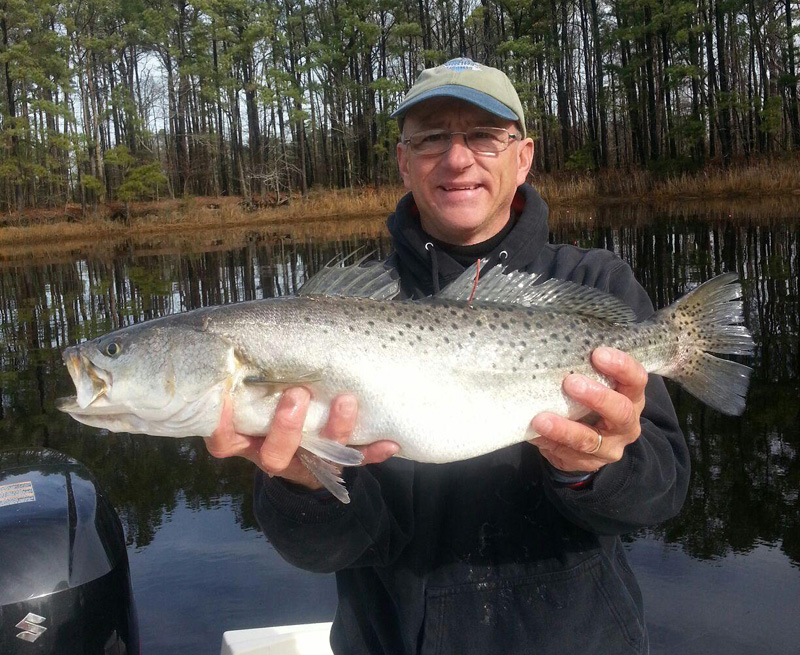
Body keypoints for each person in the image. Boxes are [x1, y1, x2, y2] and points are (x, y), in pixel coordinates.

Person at [206, 58, 689, 654]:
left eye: (484, 136)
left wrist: (591, 467)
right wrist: (304, 487)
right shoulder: (326, 320)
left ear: (524, 156)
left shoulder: (595, 282)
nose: (457, 158)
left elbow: (663, 491)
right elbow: (327, 550)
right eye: (432, 137)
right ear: (404, 162)